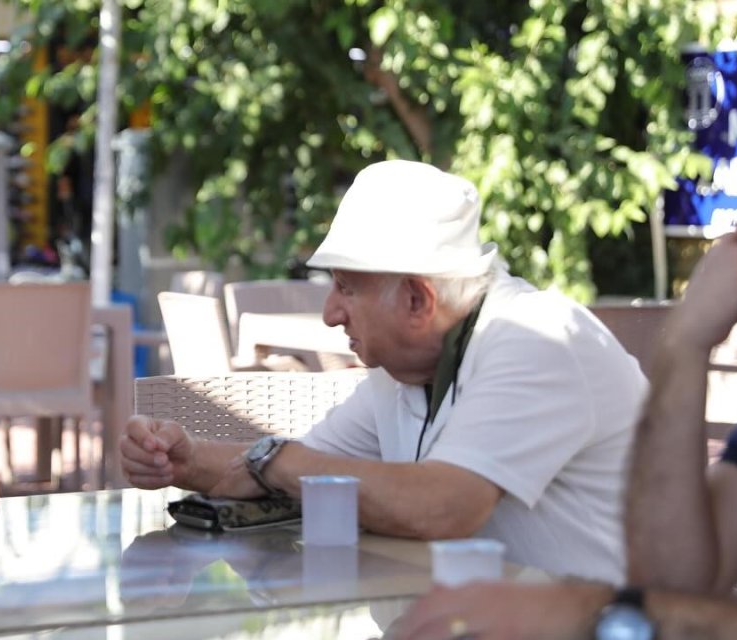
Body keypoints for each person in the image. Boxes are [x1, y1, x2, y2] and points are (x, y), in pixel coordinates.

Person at [121, 159, 647, 583]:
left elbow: (444, 507)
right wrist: (185, 461)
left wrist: (279, 461)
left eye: (346, 288)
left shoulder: (535, 338)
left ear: (418, 299)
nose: (329, 313)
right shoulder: (405, 371)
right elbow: (299, 471)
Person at [391, 95, 737, 640]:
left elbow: (447, 506)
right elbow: (678, 586)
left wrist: (594, 613)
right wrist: (684, 345)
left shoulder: (529, 334)